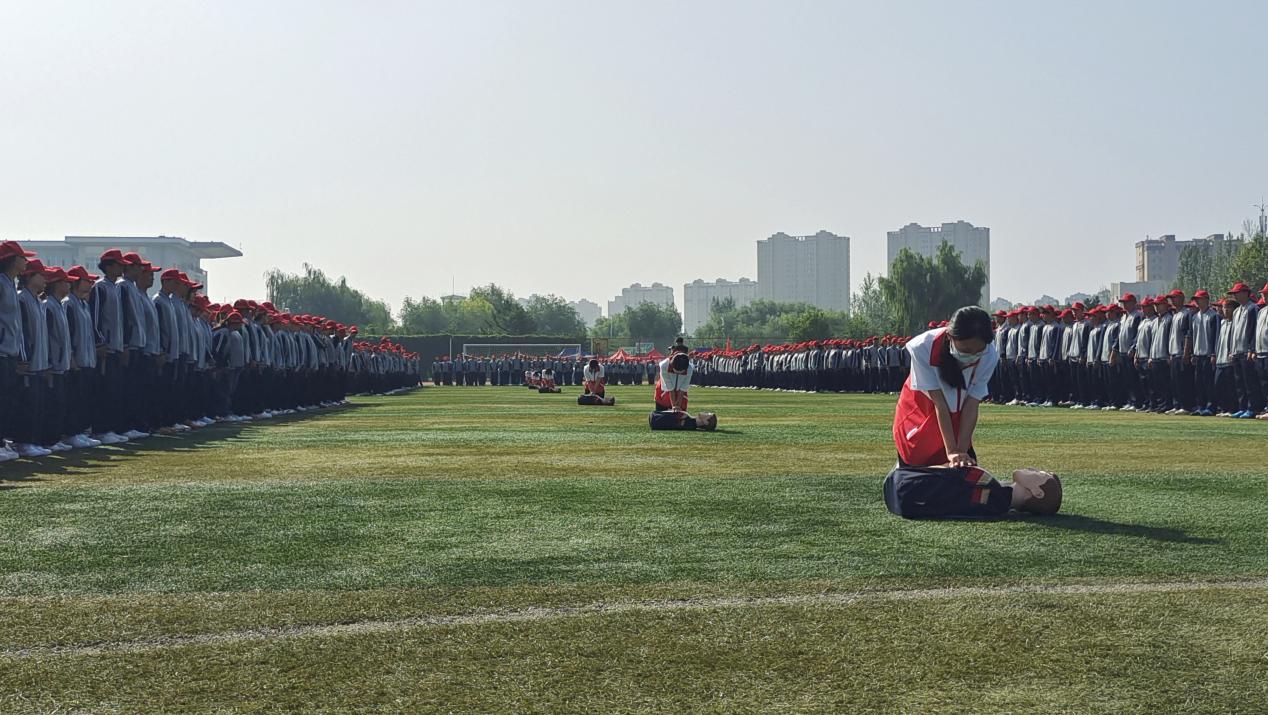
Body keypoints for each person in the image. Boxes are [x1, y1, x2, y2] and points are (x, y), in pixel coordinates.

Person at [892, 306, 998, 469]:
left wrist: (961, 451)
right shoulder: (923, 348)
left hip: (957, 415)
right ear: (950, 336)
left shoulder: (989, 354)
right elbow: (939, 403)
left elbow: (971, 405)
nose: (972, 356)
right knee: (917, 463)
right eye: (966, 350)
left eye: (978, 351)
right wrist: (952, 451)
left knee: (963, 472)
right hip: (922, 410)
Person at [884, 465, 1062, 519]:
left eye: (1040, 475)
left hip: (904, 483)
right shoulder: (996, 508)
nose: (1033, 469)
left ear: (1037, 492)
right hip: (909, 504)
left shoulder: (986, 481)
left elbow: (943, 469)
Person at [0, 240, 37, 462]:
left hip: (10, 353)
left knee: (7, 401)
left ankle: (2, 442)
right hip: (2, 352)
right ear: (12, 260)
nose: (26, 261)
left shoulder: (10, 284)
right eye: (23, 258)